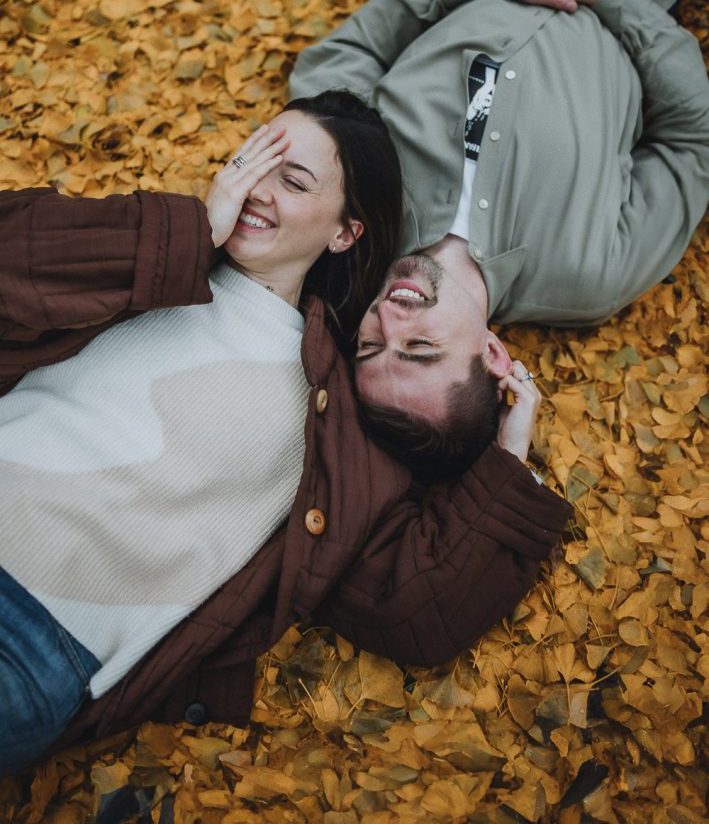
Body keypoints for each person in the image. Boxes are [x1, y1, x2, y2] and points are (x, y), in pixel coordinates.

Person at [0, 88, 571, 776]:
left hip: (36, 638)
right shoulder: (155, 258)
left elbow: (413, 607)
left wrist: (510, 454)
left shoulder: (338, 412)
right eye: (250, 161)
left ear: (344, 232)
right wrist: (184, 235)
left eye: (292, 179)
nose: (254, 189)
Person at [289, 0, 709, 466]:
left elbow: (336, 66)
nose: (388, 322)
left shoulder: (353, 205)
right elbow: (691, 142)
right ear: (490, 354)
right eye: (420, 348)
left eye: (369, 347)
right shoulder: (590, 274)